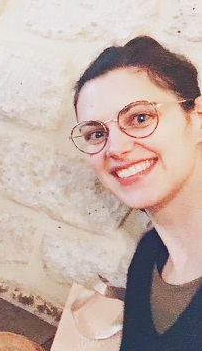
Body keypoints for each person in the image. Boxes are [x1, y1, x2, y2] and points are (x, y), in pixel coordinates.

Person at [70, 36, 202, 350]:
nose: (116, 148)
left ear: (197, 118)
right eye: (97, 133)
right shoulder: (146, 258)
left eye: (140, 118)